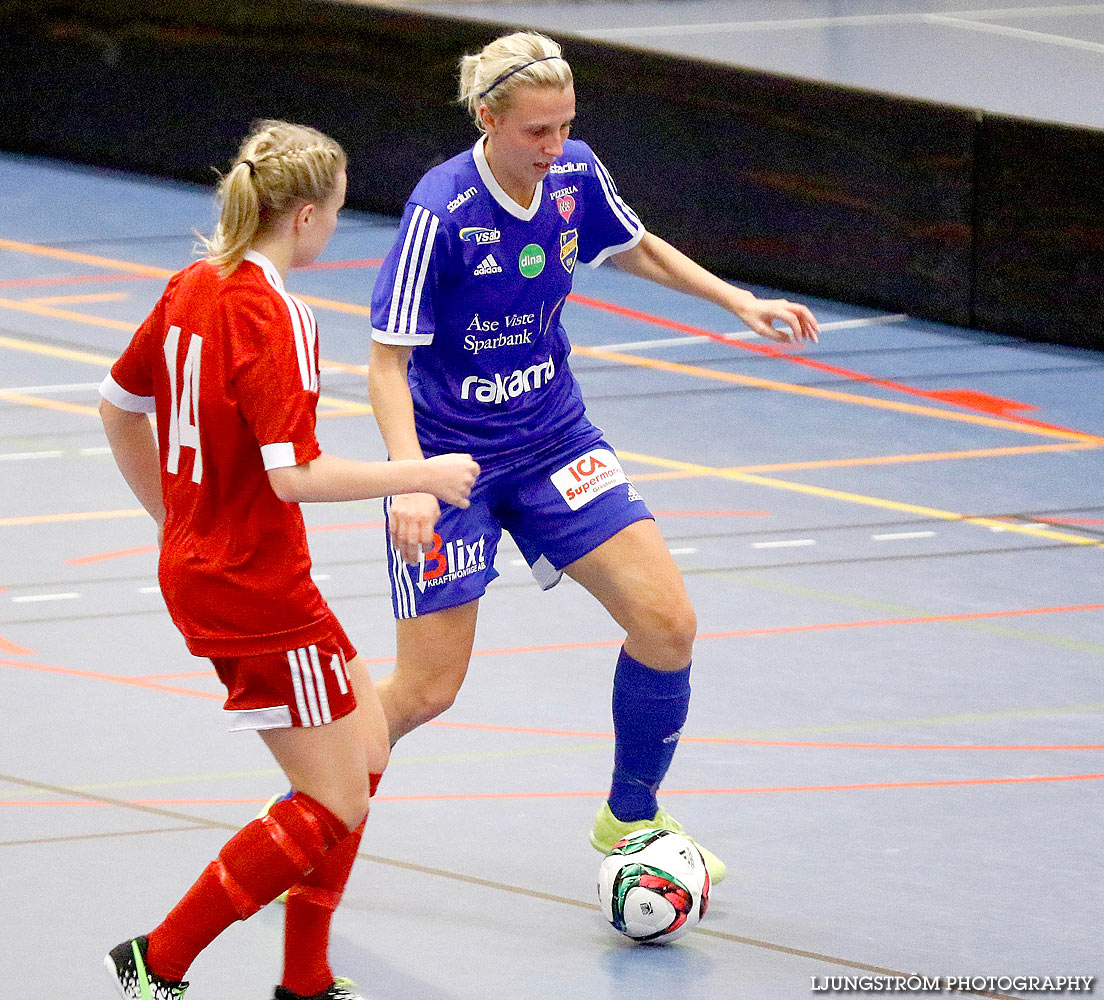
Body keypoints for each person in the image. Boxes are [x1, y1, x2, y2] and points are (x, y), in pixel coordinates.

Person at [366, 31, 819, 886]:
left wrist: (738, 300)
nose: (555, 147)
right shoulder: (442, 209)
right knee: (427, 692)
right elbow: (385, 362)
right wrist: (407, 479)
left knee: (667, 623)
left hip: (553, 440)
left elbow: (635, 244)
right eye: (538, 131)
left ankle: (630, 819)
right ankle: (312, 797)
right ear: (487, 118)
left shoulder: (573, 174)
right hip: (448, 465)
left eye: (565, 125)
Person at [99, 120, 478, 1000]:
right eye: (337, 214)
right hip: (256, 588)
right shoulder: (276, 314)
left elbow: (119, 407)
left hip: (214, 570)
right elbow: (294, 475)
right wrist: (418, 472)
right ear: (304, 216)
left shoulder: (192, 283)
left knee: (372, 738)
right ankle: (158, 962)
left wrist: (175, 522)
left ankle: (303, 978)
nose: (336, 230)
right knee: (330, 804)